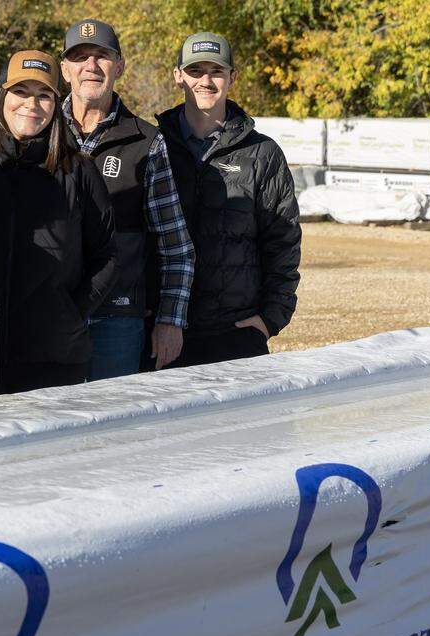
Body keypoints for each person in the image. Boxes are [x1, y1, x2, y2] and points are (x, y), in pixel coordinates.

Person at [0, 50, 117, 394]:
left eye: (44, 95)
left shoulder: (78, 170)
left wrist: (70, 312)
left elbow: (106, 254)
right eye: (20, 91)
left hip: (52, 359)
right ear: (1, 95)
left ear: (56, 104)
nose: (31, 104)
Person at [155, 33, 301, 367]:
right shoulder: (154, 145)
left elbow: (283, 242)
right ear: (178, 76)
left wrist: (269, 319)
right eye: (195, 71)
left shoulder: (262, 153)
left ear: (233, 77)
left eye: (216, 72)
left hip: (235, 332)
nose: (205, 81)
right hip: (161, 331)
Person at [59, 19, 195, 378]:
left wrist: (170, 320)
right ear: (65, 69)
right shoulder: (41, 133)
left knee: (113, 416)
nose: (91, 66)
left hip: (117, 320)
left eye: (102, 56)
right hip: (49, 315)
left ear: (119, 66)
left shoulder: (146, 141)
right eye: (80, 57)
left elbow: (176, 246)